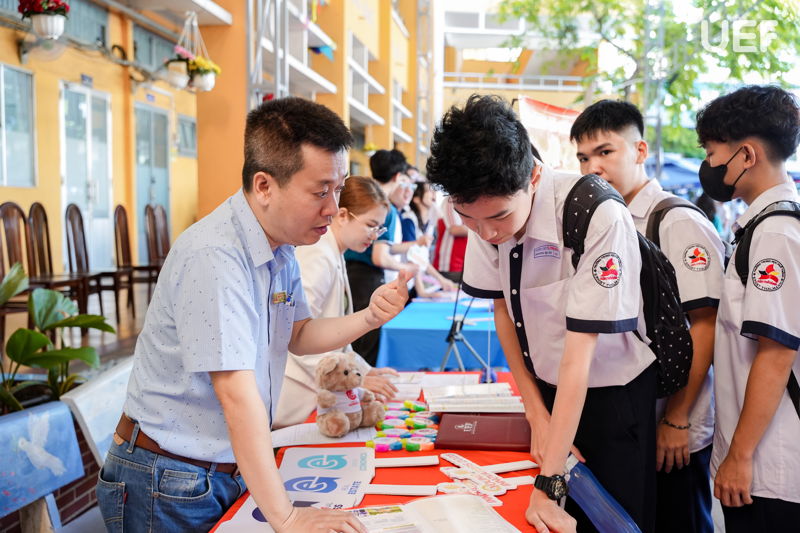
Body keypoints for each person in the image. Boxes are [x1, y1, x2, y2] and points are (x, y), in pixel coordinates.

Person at [96, 97, 410, 533]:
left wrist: (370, 316)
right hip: (168, 479)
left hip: (217, 467)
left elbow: (298, 333)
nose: (332, 207)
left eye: (338, 189)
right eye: (320, 191)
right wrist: (287, 517)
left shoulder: (280, 247)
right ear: (264, 186)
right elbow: (236, 394)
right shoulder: (215, 256)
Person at [426, 94, 656, 533]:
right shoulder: (483, 209)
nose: (487, 233)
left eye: (499, 216)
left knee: (610, 520)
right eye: (468, 219)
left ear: (533, 176)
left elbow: (579, 354)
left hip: (611, 398)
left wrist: (550, 480)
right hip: (546, 390)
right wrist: (535, 412)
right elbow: (503, 310)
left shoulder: (596, 213)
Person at [571, 99, 724, 533]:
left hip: (672, 425)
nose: (593, 168)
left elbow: (706, 325)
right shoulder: (606, 221)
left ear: (639, 150)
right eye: (583, 157)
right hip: (632, 424)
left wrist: (677, 418)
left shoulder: (674, 220)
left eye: (605, 152)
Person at [695, 85, 800, 532]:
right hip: (760, 456)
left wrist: (739, 456)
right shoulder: (761, 225)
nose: (709, 165)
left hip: (771, 465)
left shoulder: (775, 234)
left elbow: (777, 353)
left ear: (747, 155)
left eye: (712, 152)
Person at [274, 176, 400, 428]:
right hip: (298, 391)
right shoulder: (318, 255)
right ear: (342, 215)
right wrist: (351, 378)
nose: (374, 236)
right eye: (370, 225)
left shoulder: (334, 252)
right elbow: (296, 333)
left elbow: (338, 339)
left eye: (379, 229)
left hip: (317, 386)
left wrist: (363, 370)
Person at [345, 149, 422, 364]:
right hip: (366, 278)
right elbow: (380, 256)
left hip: (351, 272)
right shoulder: (384, 207)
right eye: (372, 226)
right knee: (366, 343)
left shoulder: (366, 199)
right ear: (398, 177)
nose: (373, 234)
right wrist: (405, 269)